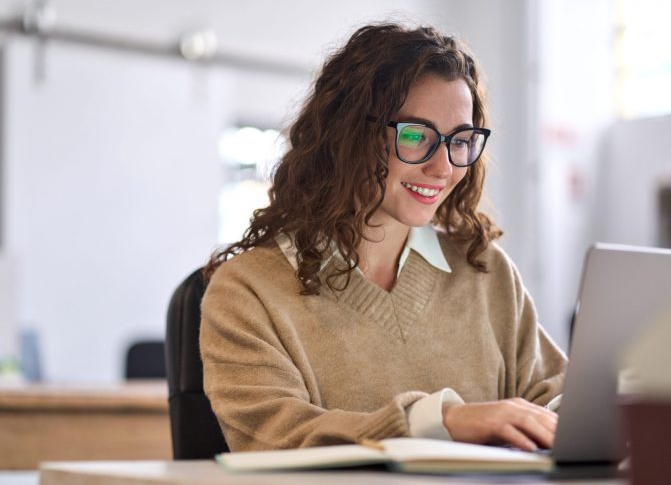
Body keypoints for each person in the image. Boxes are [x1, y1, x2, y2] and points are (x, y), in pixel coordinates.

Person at [200, 22, 567, 453]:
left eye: (461, 140)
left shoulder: (485, 271)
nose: (444, 169)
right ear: (347, 136)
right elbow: (276, 436)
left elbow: (554, 401)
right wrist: (442, 422)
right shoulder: (247, 290)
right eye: (415, 136)